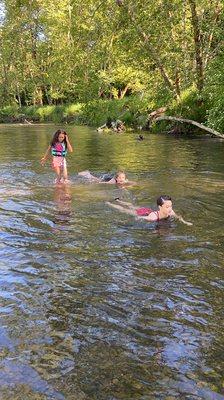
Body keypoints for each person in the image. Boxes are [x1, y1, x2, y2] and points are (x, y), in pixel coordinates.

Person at [106, 195, 193, 225]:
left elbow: (178, 217)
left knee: (132, 205)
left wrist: (185, 222)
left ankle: (118, 200)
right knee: (126, 210)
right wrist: (126, 221)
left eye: (171, 206)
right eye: (167, 207)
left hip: (148, 210)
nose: (170, 209)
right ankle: (110, 203)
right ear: (160, 207)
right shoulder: (153, 218)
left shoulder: (171, 212)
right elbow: (141, 218)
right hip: (144, 214)